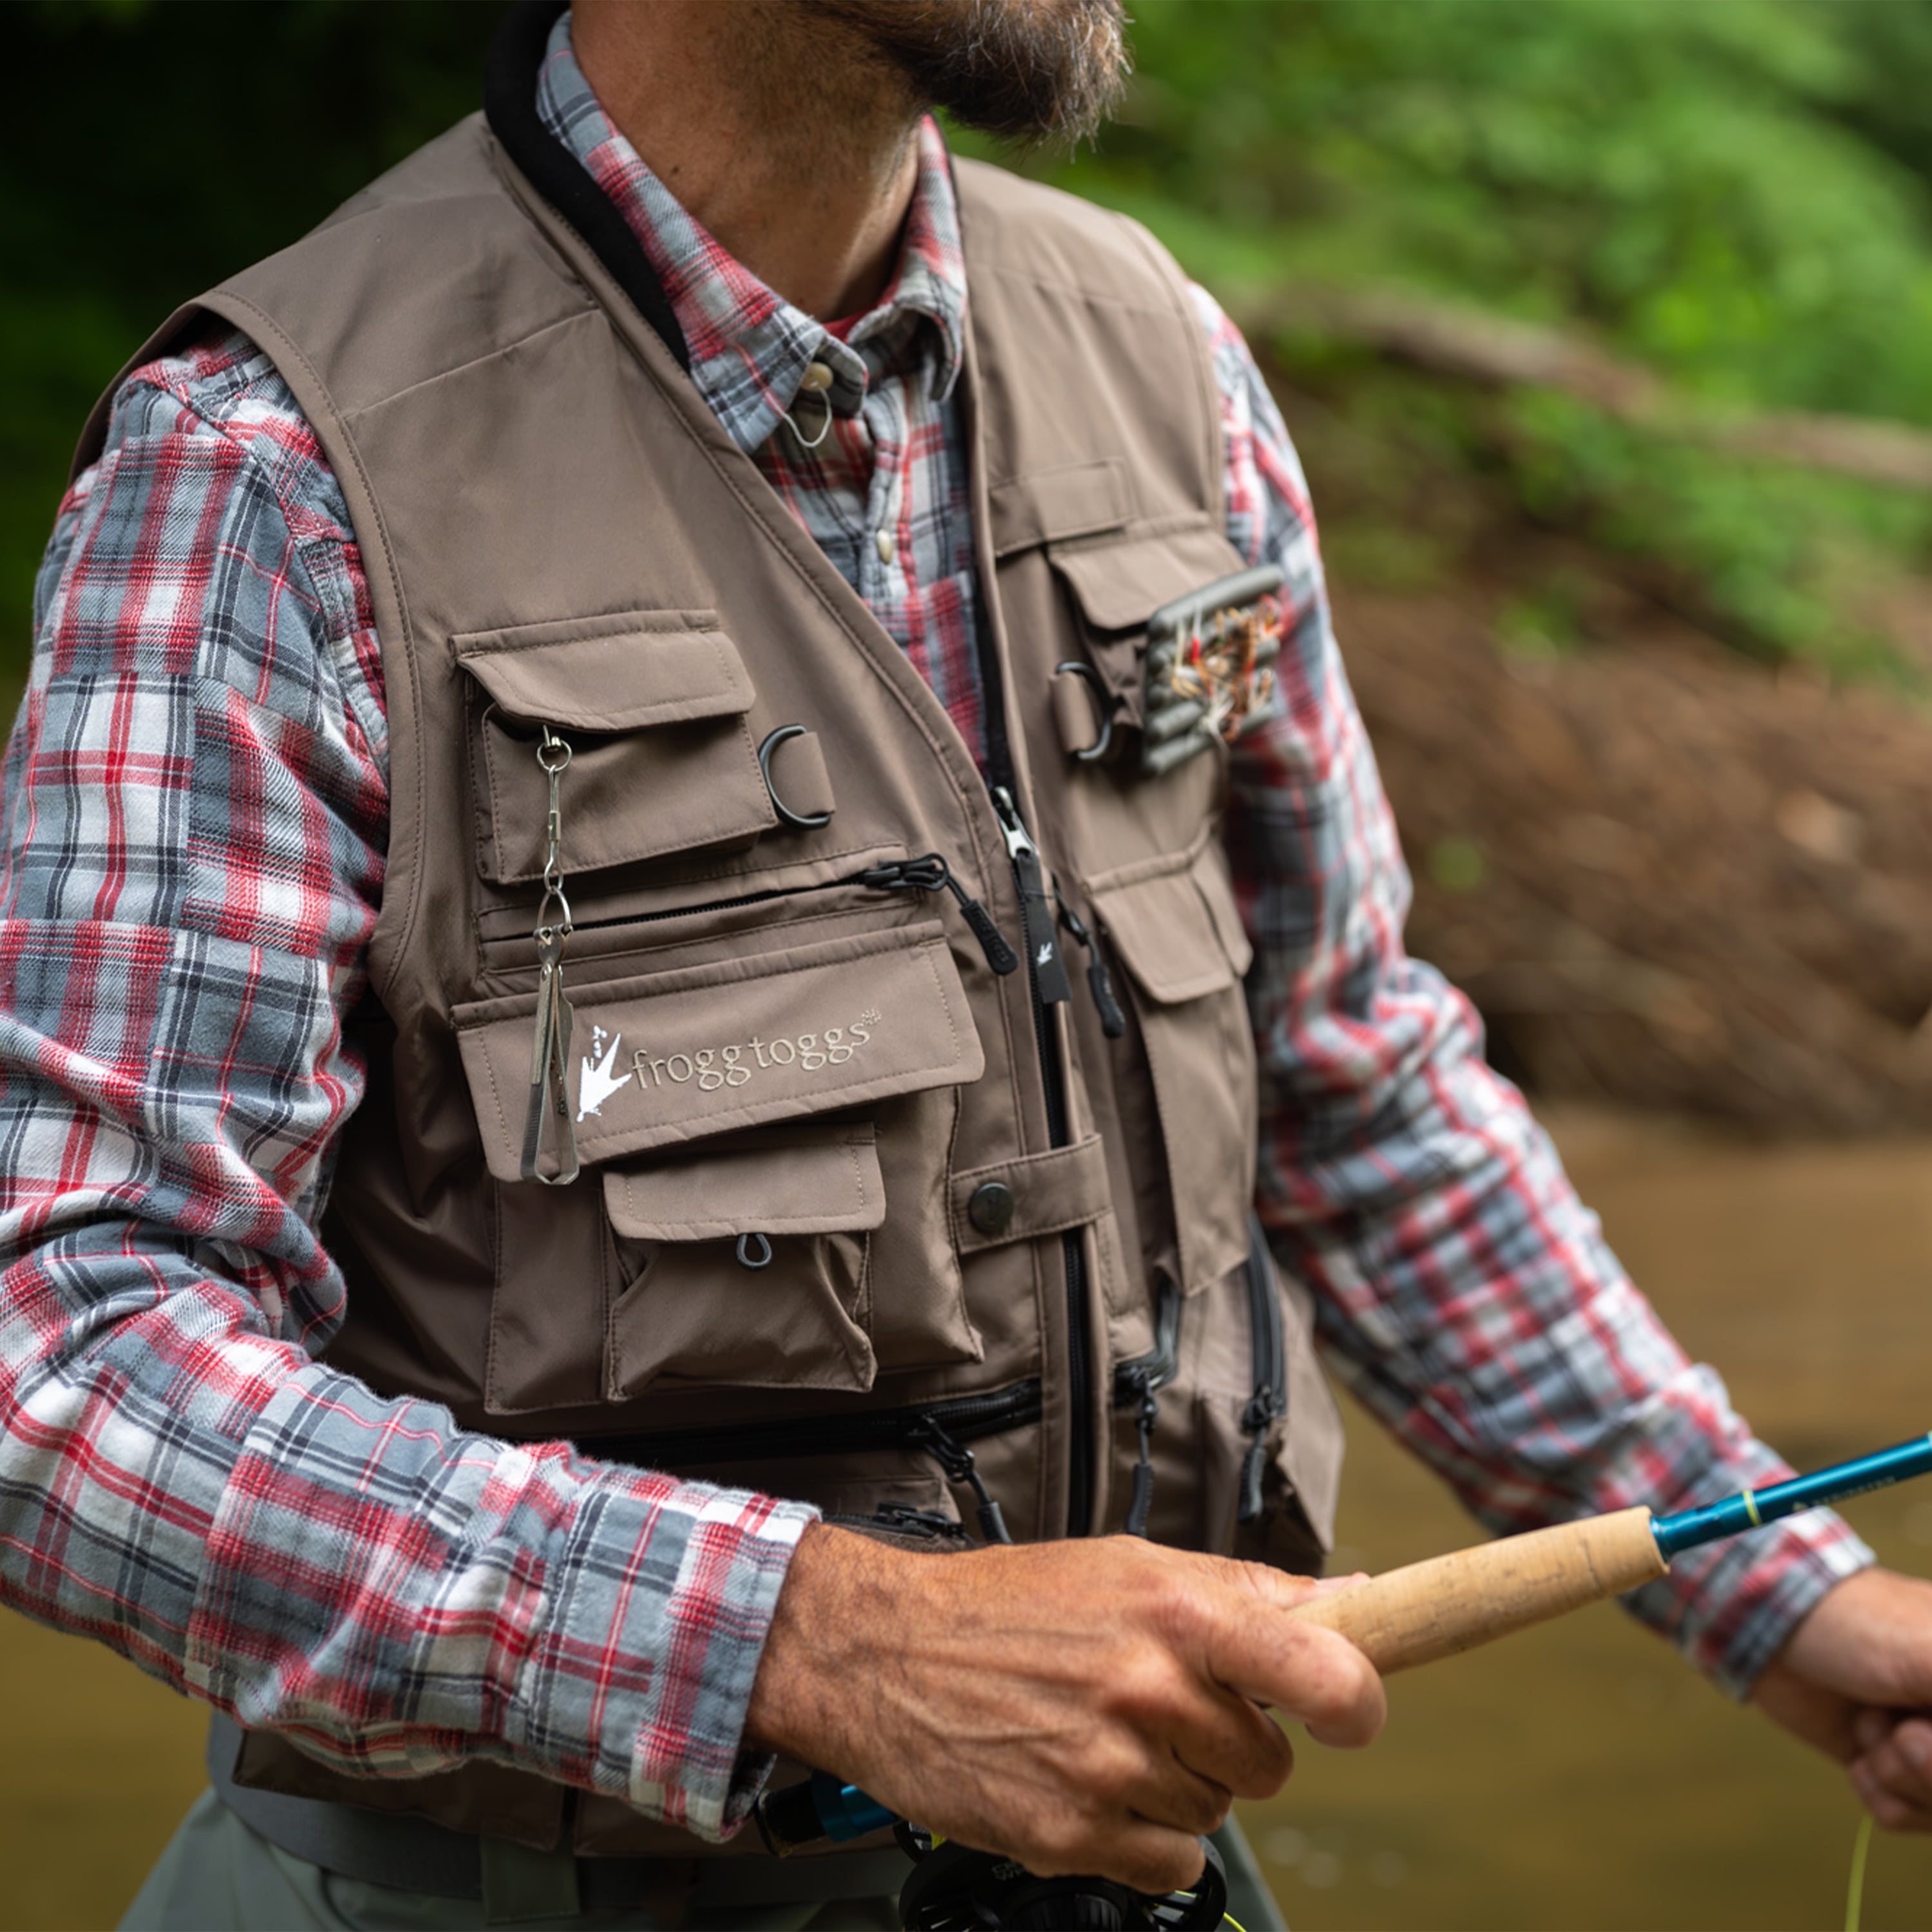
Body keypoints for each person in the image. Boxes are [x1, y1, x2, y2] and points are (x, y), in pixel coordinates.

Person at [3, 3, 1931, 1928]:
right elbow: (63, 1359)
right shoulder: (261, 476)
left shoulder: (1167, 361)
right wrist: (823, 1644)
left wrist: (1786, 1596)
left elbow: (1352, 1084)